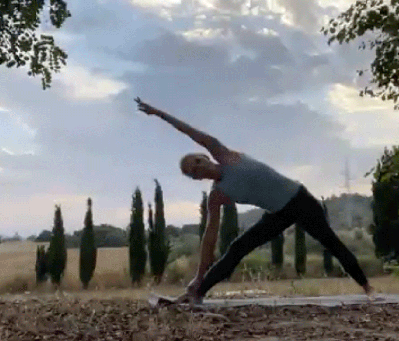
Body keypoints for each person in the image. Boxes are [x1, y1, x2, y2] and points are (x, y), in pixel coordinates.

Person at [135, 97, 375, 304]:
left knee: (330, 242)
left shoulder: (223, 153)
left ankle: (367, 287)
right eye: (193, 172)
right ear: (196, 179)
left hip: (300, 200)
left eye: (196, 162)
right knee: (237, 248)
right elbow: (209, 238)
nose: (198, 168)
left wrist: (158, 113)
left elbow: (188, 131)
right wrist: (199, 276)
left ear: (203, 156)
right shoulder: (217, 196)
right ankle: (199, 292)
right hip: (277, 214)